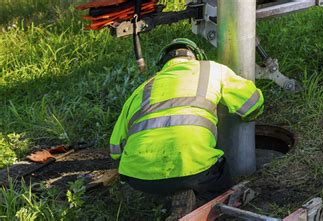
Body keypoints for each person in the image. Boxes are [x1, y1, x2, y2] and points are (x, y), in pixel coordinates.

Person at [109, 38, 264, 219]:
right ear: (196, 57)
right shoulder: (211, 69)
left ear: (163, 65)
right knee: (218, 177)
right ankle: (200, 206)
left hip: (139, 178)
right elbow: (253, 104)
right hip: (196, 171)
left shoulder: (141, 90)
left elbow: (115, 150)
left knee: (169, 179)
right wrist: (250, 115)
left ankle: (173, 197)